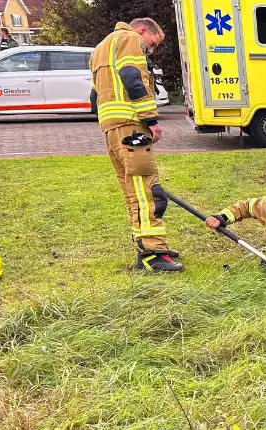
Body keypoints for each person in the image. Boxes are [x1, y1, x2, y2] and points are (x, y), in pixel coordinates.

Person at [90, 18, 178, 272]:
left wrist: (108, 124)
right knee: (148, 191)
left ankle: (145, 246)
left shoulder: (100, 48)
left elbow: (95, 95)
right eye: (152, 44)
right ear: (142, 31)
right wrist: (151, 120)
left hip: (112, 130)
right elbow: (132, 77)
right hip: (132, 127)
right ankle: (154, 252)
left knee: (132, 192)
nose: (150, 51)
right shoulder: (129, 40)